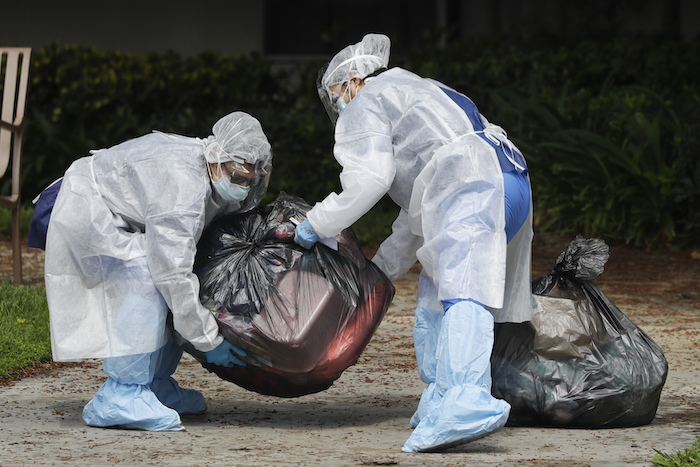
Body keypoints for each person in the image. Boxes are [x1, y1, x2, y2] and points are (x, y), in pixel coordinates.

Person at [294, 34, 538, 452]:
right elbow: (418, 214)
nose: (338, 105)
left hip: (470, 182)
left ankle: (466, 399)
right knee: (439, 290)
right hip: (508, 179)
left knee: (463, 291)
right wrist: (379, 271)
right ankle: (442, 396)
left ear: (353, 80)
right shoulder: (417, 86)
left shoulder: (366, 100)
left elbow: (370, 180)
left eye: (336, 95)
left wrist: (316, 223)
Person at [44, 111, 273, 431]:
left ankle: (154, 384)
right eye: (236, 177)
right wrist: (208, 340)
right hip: (92, 208)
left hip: (129, 210)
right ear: (216, 157)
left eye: (249, 181)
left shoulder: (212, 171)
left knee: (176, 271)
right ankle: (121, 393)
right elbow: (172, 276)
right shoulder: (182, 189)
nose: (241, 186)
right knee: (149, 279)